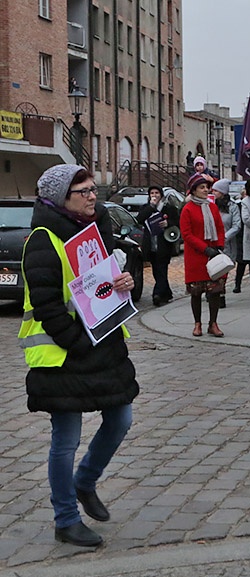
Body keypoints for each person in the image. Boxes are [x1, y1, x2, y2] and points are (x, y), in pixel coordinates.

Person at [20, 165, 138, 546]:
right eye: (83, 191)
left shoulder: (95, 229)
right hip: (62, 354)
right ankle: (65, 518)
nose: (92, 196)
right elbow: (47, 306)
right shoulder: (42, 240)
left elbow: (106, 283)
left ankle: (84, 482)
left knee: (121, 418)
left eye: (92, 189)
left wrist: (124, 283)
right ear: (61, 199)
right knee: (65, 439)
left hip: (103, 346)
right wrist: (79, 341)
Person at [181, 173, 226, 337]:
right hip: (196, 256)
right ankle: (197, 323)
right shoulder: (187, 209)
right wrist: (204, 248)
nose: (206, 190)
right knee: (196, 292)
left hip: (213, 254)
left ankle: (213, 323)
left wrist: (219, 244)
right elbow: (187, 234)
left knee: (214, 291)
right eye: (202, 187)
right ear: (193, 191)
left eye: (207, 187)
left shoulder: (212, 207)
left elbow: (220, 227)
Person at [136, 185, 178, 306]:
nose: (154, 195)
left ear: (161, 195)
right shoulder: (146, 208)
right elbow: (139, 219)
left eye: (156, 193)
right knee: (156, 271)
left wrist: (168, 223)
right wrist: (151, 207)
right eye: (152, 193)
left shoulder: (168, 208)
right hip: (151, 244)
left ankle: (157, 294)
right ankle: (167, 293)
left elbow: (177, 222)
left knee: (162, 269)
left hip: (164, 244)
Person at [211, 179, 233, 309]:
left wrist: (225, 236)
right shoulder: (210, 205)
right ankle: (213, 293)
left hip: (225, 243)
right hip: (211, 243)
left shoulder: (232, 206)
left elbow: (236, 225)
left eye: (216, 191)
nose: (213, 193)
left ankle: (221, 295)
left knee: (223, 270)